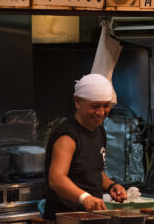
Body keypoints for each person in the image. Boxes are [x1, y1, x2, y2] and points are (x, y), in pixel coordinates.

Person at [43, 74, 127, 220]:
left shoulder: (99, 130)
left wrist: (111, 186)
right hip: (66, 218)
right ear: (77, 101)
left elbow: (93, 171)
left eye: (106, 106)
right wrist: (85, 197)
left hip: (90, 217)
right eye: (94, 106)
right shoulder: (68, 136)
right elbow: (56, 179)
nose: (101, 112)